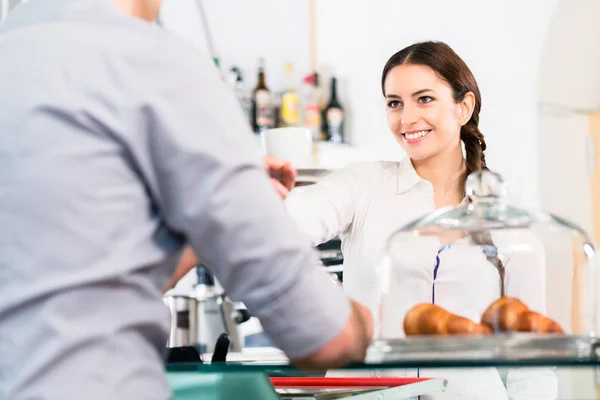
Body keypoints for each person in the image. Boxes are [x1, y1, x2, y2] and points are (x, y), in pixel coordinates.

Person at [0, 1, 373, 399]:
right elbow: (324, 338)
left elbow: (79, 280)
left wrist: (210, 215)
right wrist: (368, 325)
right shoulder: (149, 62)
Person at [283, 41, 557, 399]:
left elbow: (533, 362)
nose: (406, 118)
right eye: (394, 103)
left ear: (464, 107)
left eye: (424, 99)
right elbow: (284, 228)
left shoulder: (506, 220)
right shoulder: (362, 185)